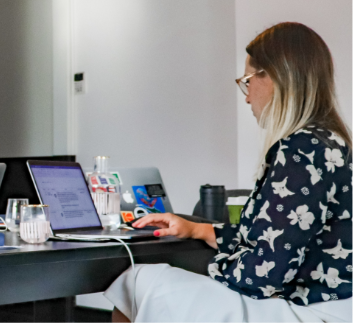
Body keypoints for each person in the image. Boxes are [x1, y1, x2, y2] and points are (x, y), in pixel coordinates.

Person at [104, 22, 353, 323]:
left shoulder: (298, 149)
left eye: (248, 81)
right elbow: (279, 238)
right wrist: (197, 229)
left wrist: (207, 268)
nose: (247, 96)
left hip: (308, 310)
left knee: (138, 282)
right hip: (334, 303)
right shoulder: (332, 143)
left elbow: (263, 275)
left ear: (276, 77)